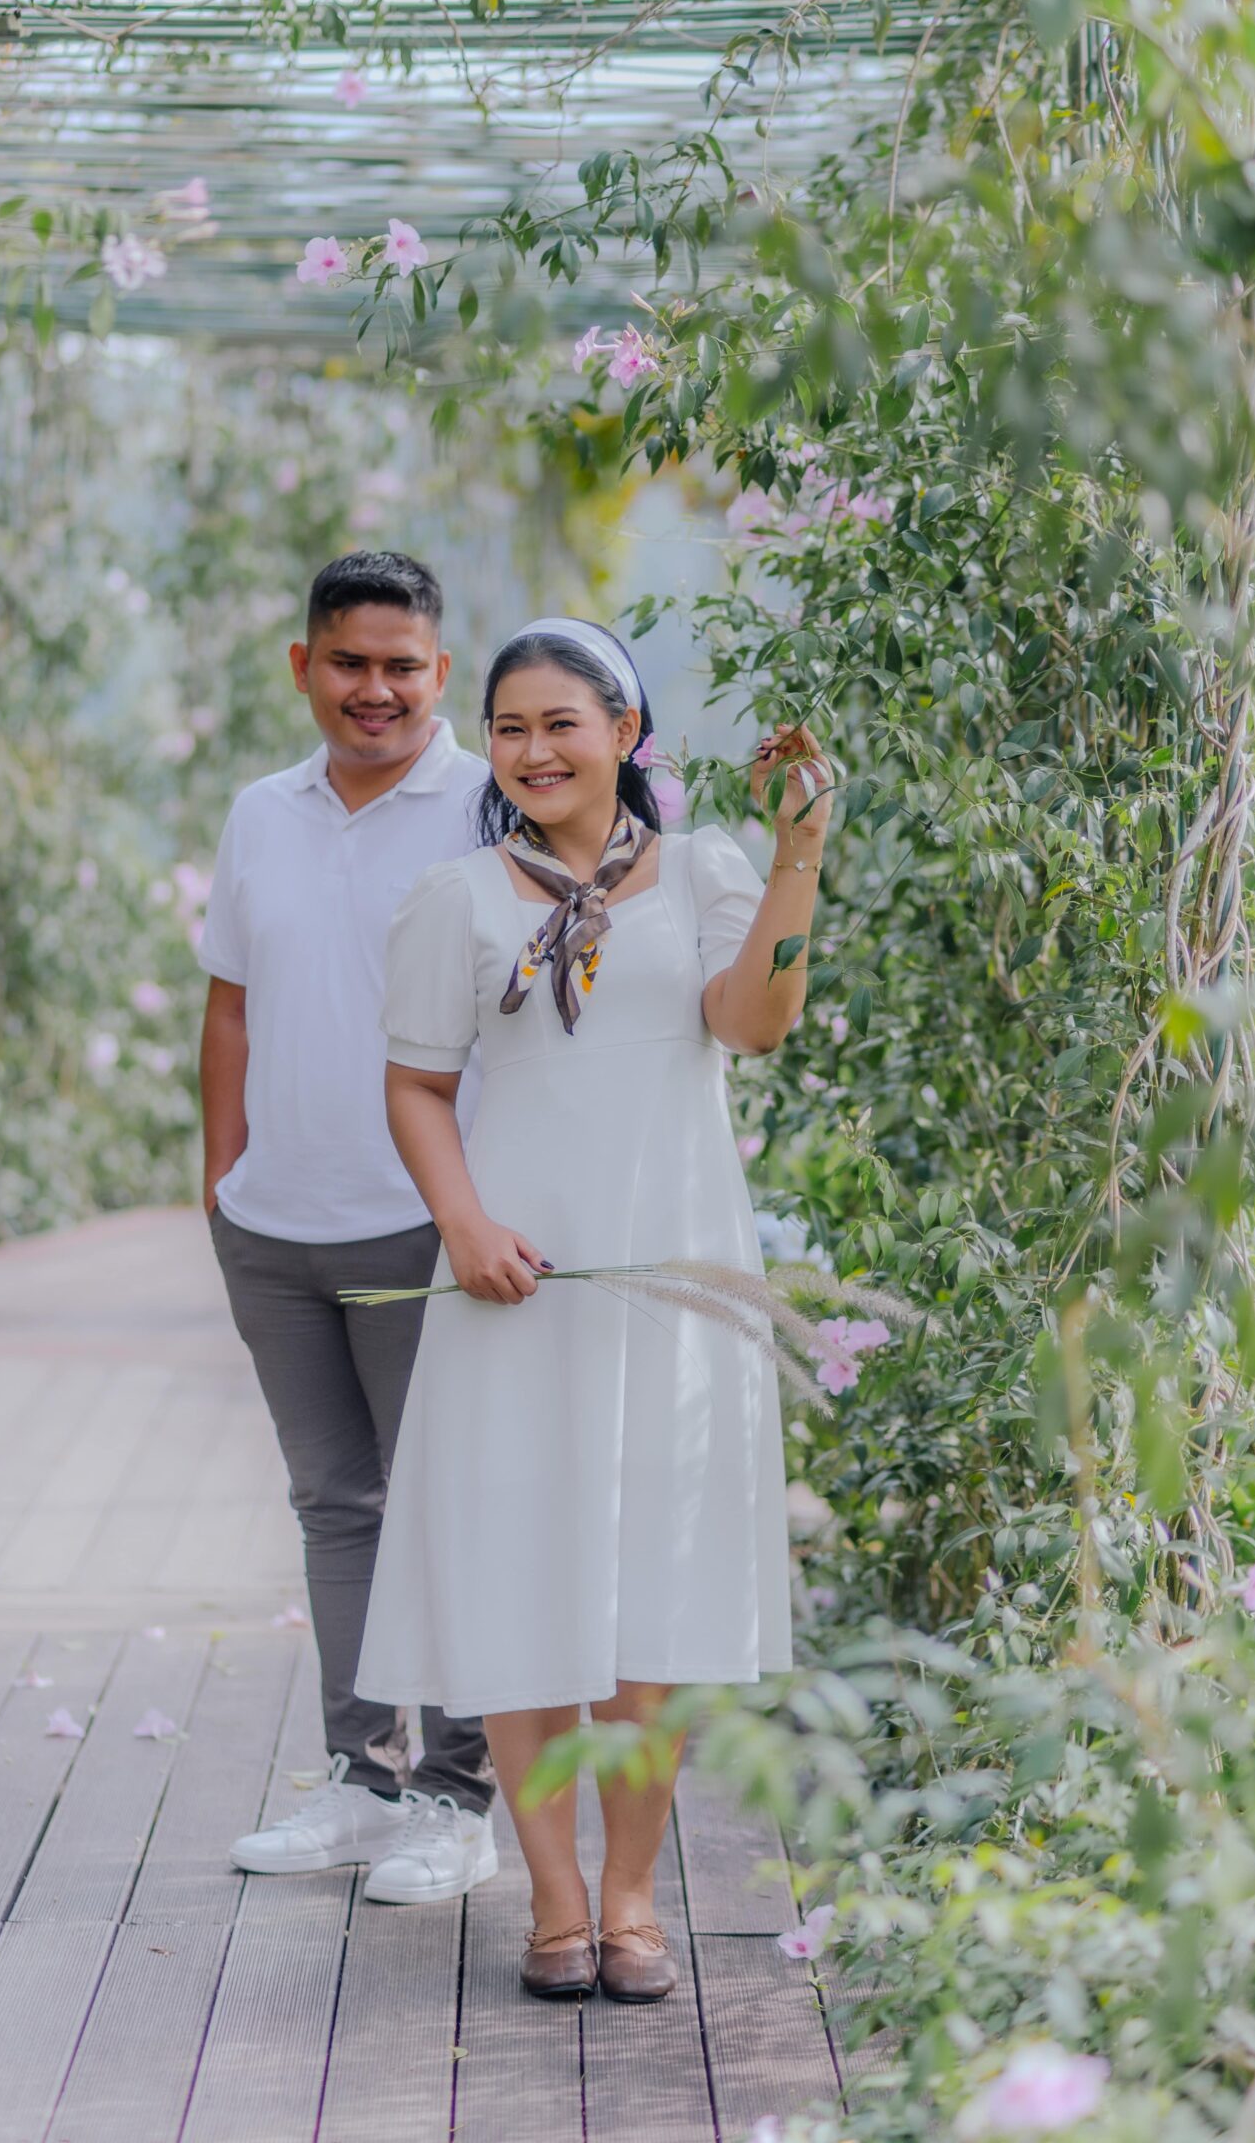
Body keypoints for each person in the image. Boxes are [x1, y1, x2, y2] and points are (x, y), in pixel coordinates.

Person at [356, 614, 835, 2000]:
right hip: (515, 1282)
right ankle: (554, 1903)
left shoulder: (708, 871)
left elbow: (755, 1024)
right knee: (519, 1579)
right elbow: (416, 1086)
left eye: (561, 723)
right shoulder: (457, 899)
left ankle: (632, 1899)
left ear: (625, 735)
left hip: (668, 1280)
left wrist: (799, 856)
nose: (533, 750)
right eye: (508, 729)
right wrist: (463, 1224)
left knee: (652, 1595)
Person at [197, 550, 497, 1905]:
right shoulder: (260, 812)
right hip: (275, 1229)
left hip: (425, 1226)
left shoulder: (488, 809)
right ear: (303, 666)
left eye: (401, 667)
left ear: (441, 673)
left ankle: (458, 1800)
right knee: (335, 1509)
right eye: (348, 663)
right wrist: (223, 1180)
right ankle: (363, 1782)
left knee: (450, 1509)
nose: (374, 690)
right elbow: (230, 1004)